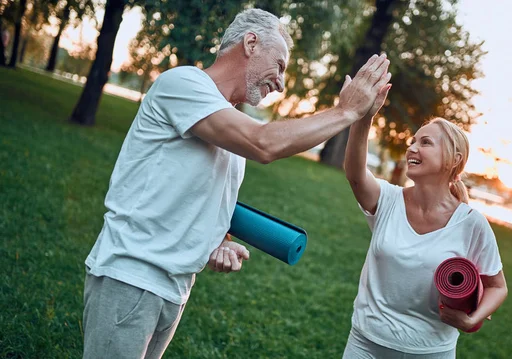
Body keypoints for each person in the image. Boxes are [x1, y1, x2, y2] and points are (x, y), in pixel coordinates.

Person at [81, 7, 391, 359]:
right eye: (280, 66)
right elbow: (265, 143)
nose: (281, 82)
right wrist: (346, 112)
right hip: (133, 274)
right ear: (251, 43)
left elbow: (196, 191)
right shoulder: (184, 84)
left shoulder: (226, 117)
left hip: (175, 286)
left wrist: (215, 241)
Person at [342, 113, 508, 358]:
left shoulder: (471, 223)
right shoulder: (387, 199)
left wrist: (471, 319)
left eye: (425, 143)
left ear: (454, 159)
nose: (412, 148)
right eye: (413, 141)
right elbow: (355, 175)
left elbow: (497, 286)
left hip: (430, 351)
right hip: (365, 343)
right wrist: (364, 117)